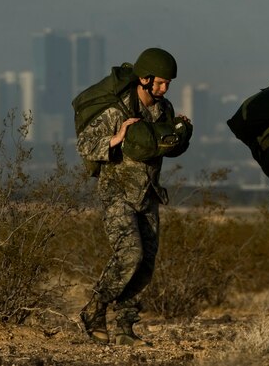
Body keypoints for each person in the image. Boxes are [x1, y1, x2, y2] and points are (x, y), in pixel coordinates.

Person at [77, 48, 191, 346]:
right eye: (161, 83)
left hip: (148, 194)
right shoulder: (118, 110)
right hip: (117, 194)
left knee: (146, 265)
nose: (165, 89)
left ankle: (126, 328)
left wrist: (178, 132)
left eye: (168, 83)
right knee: (130, 254)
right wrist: (116, 138)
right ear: (144, 79)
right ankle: (95, 309)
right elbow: (85, 144)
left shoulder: (163, 109)